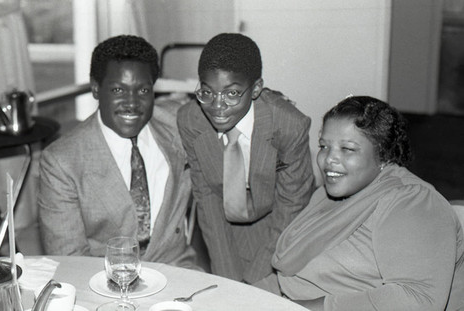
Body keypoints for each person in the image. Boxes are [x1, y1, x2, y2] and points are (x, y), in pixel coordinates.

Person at [264, 96, 464, 310]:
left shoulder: (413, 202)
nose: (328, 159)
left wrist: (305, 307)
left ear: (383, 154)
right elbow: (288, 276)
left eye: (347, 149)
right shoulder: (326, 195)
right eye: (324, 146)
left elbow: (417, 299)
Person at [38, 35, 197, 269]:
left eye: (143, 90)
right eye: (117, 90)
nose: (131, 103)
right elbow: (69, 259)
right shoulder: (62, 161)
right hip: (102, 281)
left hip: (177, 269)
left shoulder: (179, 124)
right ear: (95, 88)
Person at [177, 33, 315, 284]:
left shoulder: (288, 125)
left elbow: (291, 207)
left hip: (281, 226)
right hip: (223, 223)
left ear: (257, 89)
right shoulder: (191, 120)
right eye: (207, 91)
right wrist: (228, 277)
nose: (218, 106)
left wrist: (254, 283)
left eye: (232, 94)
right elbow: (206, 198)